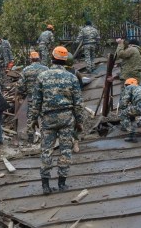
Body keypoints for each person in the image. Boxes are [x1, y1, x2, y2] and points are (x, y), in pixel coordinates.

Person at [31, 46, 84, 194]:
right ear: (65, 60)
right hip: (67, 118)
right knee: (65, 150)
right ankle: (62, 184)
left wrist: (34, 119)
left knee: (46, 150)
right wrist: (80, 121)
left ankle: (45, 186)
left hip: (48, 119)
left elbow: (36, 101)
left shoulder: (42, 76)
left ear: (52, 58)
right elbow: (78, 103)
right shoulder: (72, 77)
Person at [15, 51, 49, 143]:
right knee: (44, 116)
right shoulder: (46, 69)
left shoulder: (26, 70)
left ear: (30, 59)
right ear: (39, 59)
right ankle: (46, 136)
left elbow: (20, 85)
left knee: (31, 117)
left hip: (31, 97)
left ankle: (31, 137)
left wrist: (22, 92)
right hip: (44, 97)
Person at [64, 52, 85, 153]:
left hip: (63, 102)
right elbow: (81, 87)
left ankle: (69, 141)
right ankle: (76, 141)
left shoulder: (59, 73)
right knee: (77, 121)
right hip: (75, 101)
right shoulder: (76, 73)